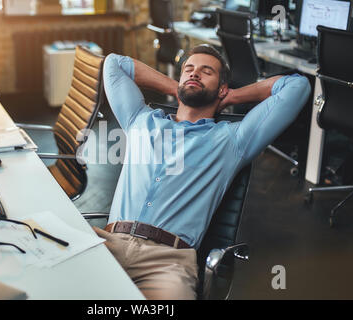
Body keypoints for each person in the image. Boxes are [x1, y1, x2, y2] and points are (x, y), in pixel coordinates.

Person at [93, 45, 311, 299]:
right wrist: (175, 87)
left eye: (206, 72)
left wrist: (233, 96)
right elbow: (114, 64)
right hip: (108, 242)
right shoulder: (140, 120)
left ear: (221, 88)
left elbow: (298, 87)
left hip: (166, 263)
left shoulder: (232, 140)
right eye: (189, 69)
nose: (194, 74)